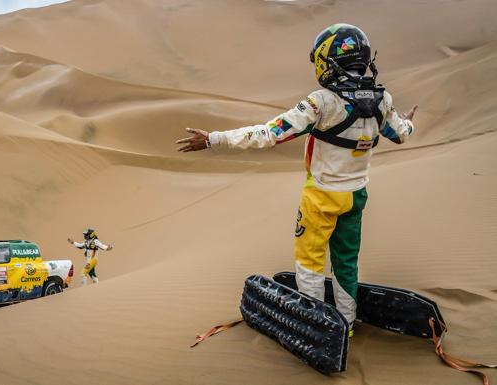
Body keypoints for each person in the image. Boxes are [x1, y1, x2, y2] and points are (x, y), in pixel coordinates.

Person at [176, 24, 417, 335]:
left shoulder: (322, 101)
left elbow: (269, 133)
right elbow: (400, 134)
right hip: (356, 196)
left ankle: (317, 327)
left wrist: (214, 139)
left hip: (321, 198)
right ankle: (346, 323)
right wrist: (409, 123)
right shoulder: (383, 100)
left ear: (327, 61)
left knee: (310, 262)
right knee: (345, 261)